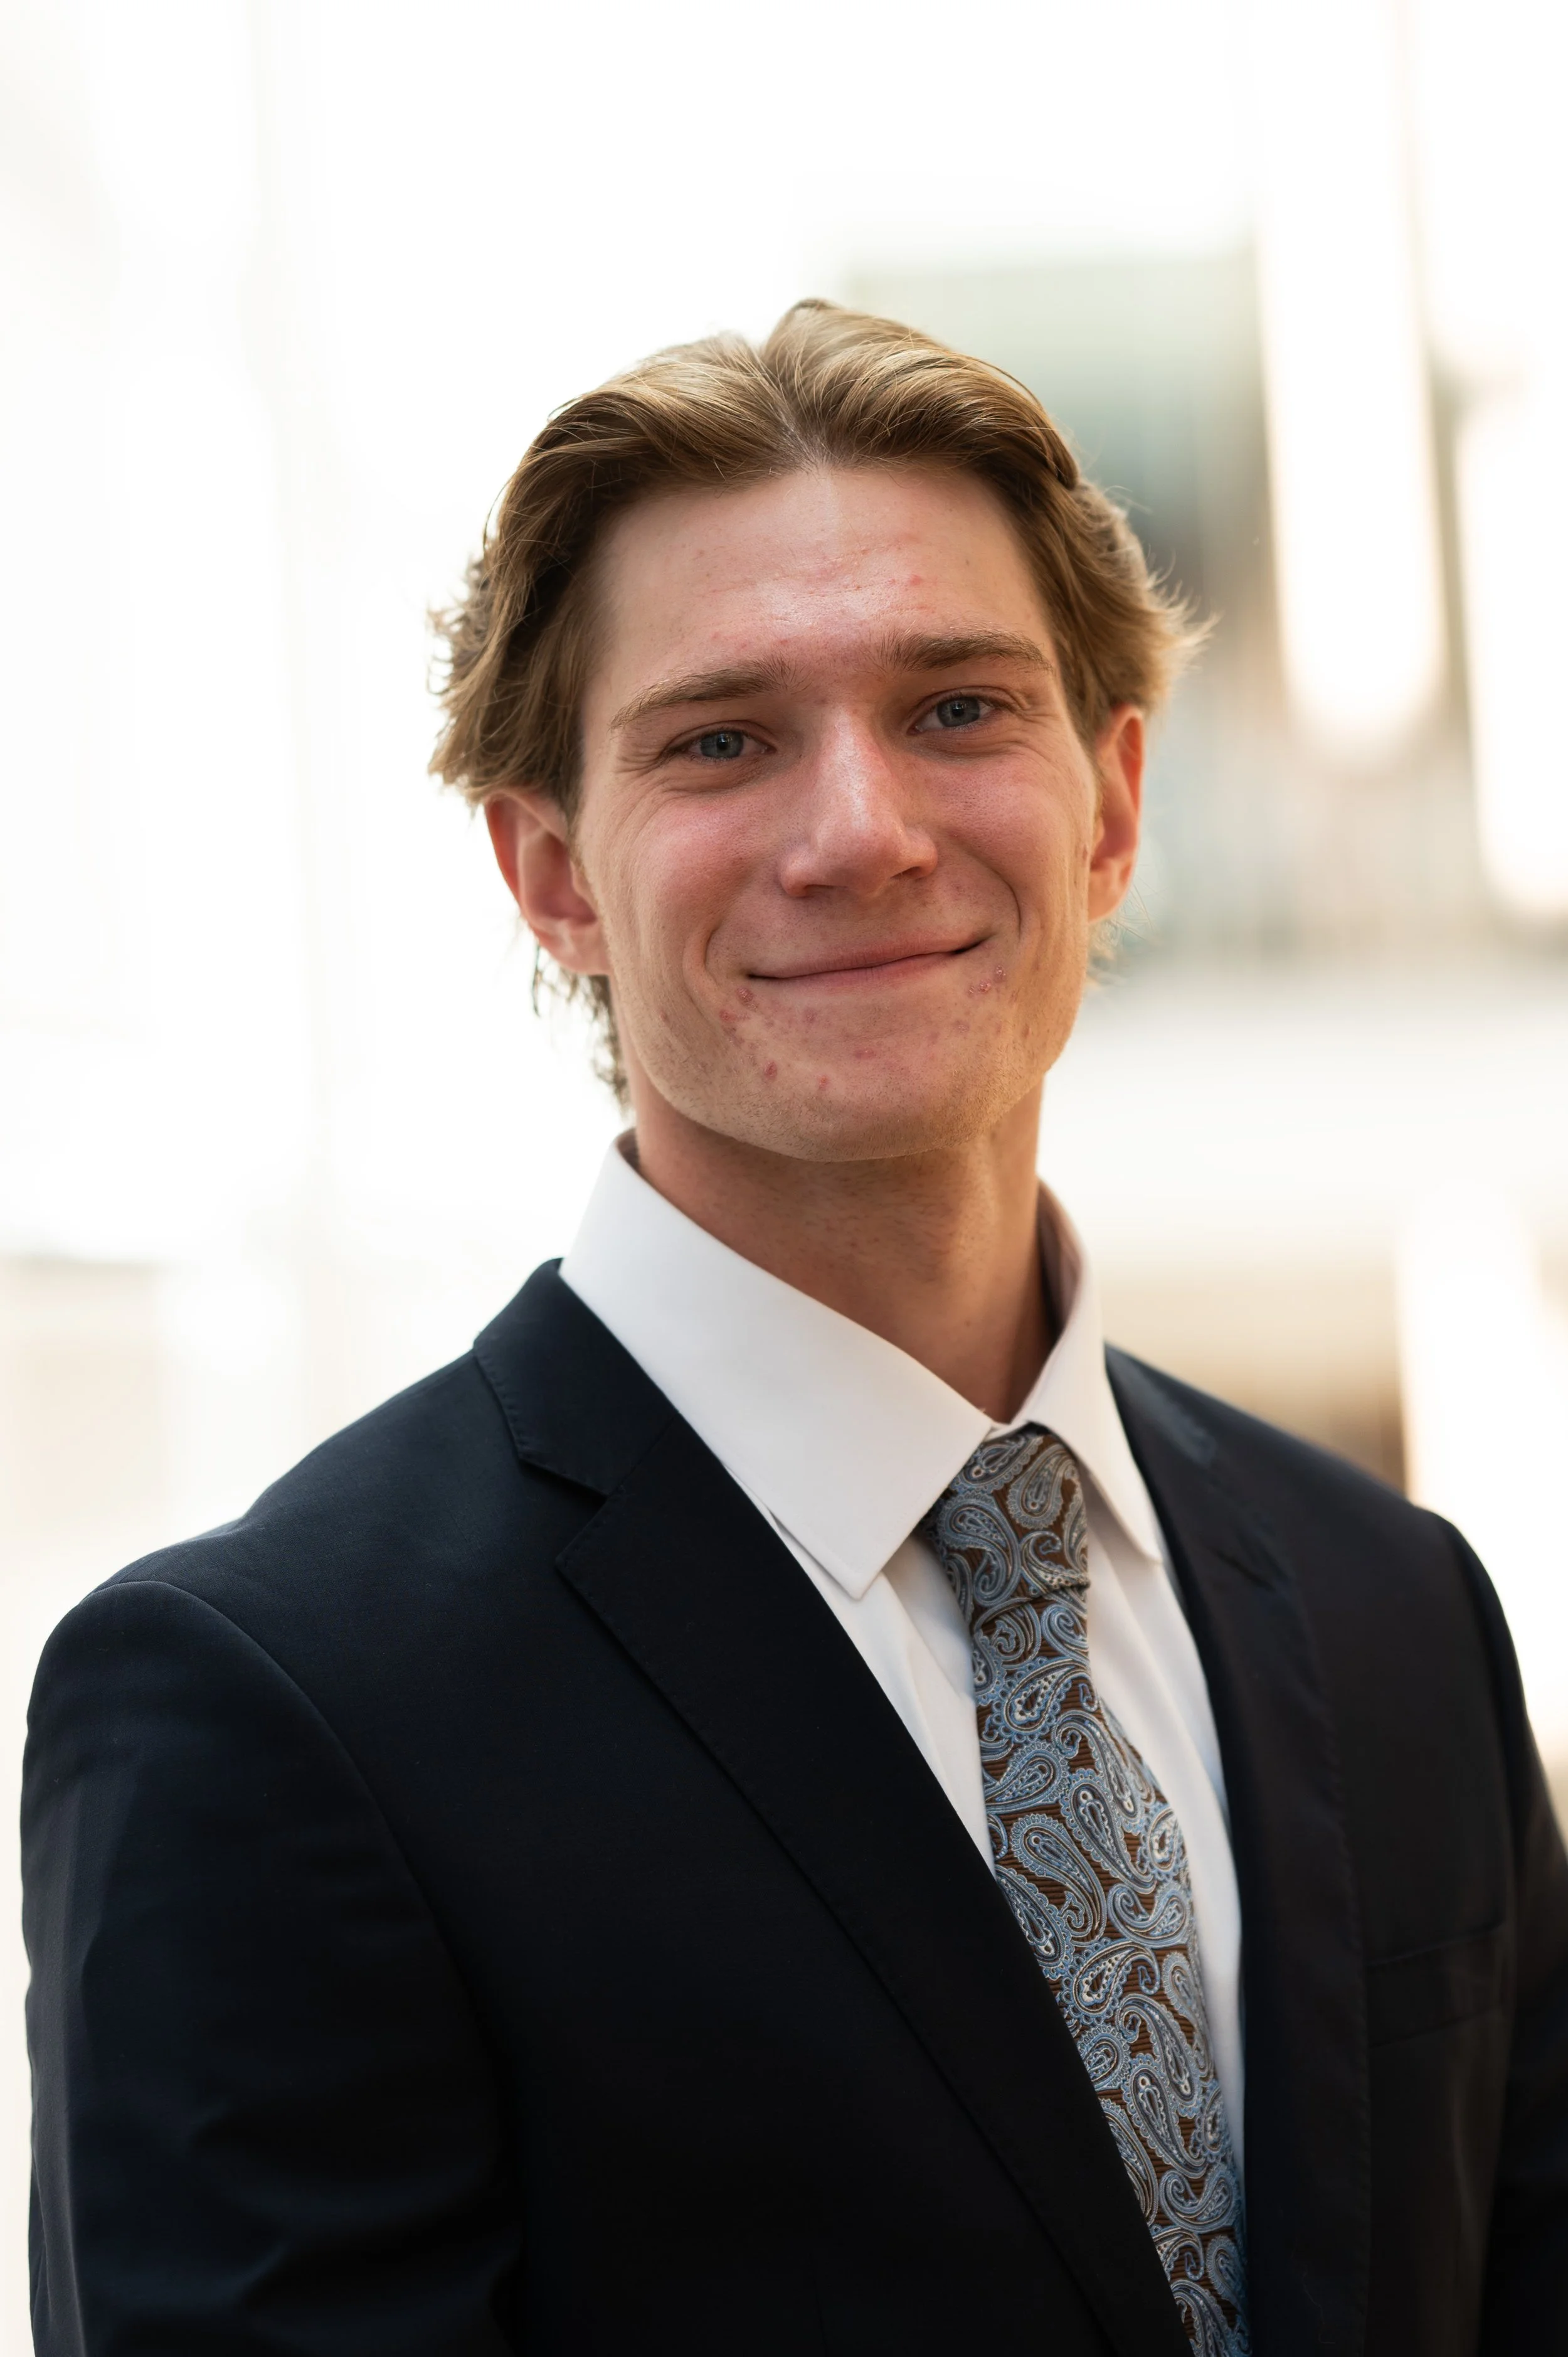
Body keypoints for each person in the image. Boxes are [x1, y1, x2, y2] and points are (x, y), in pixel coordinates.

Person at [23, 301, 1568, 2357]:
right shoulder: (270, 1704)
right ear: (552, 871)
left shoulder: (1395, 1603)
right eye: (723, 738)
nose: (861, 829)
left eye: (954, 708)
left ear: (1109, 805)